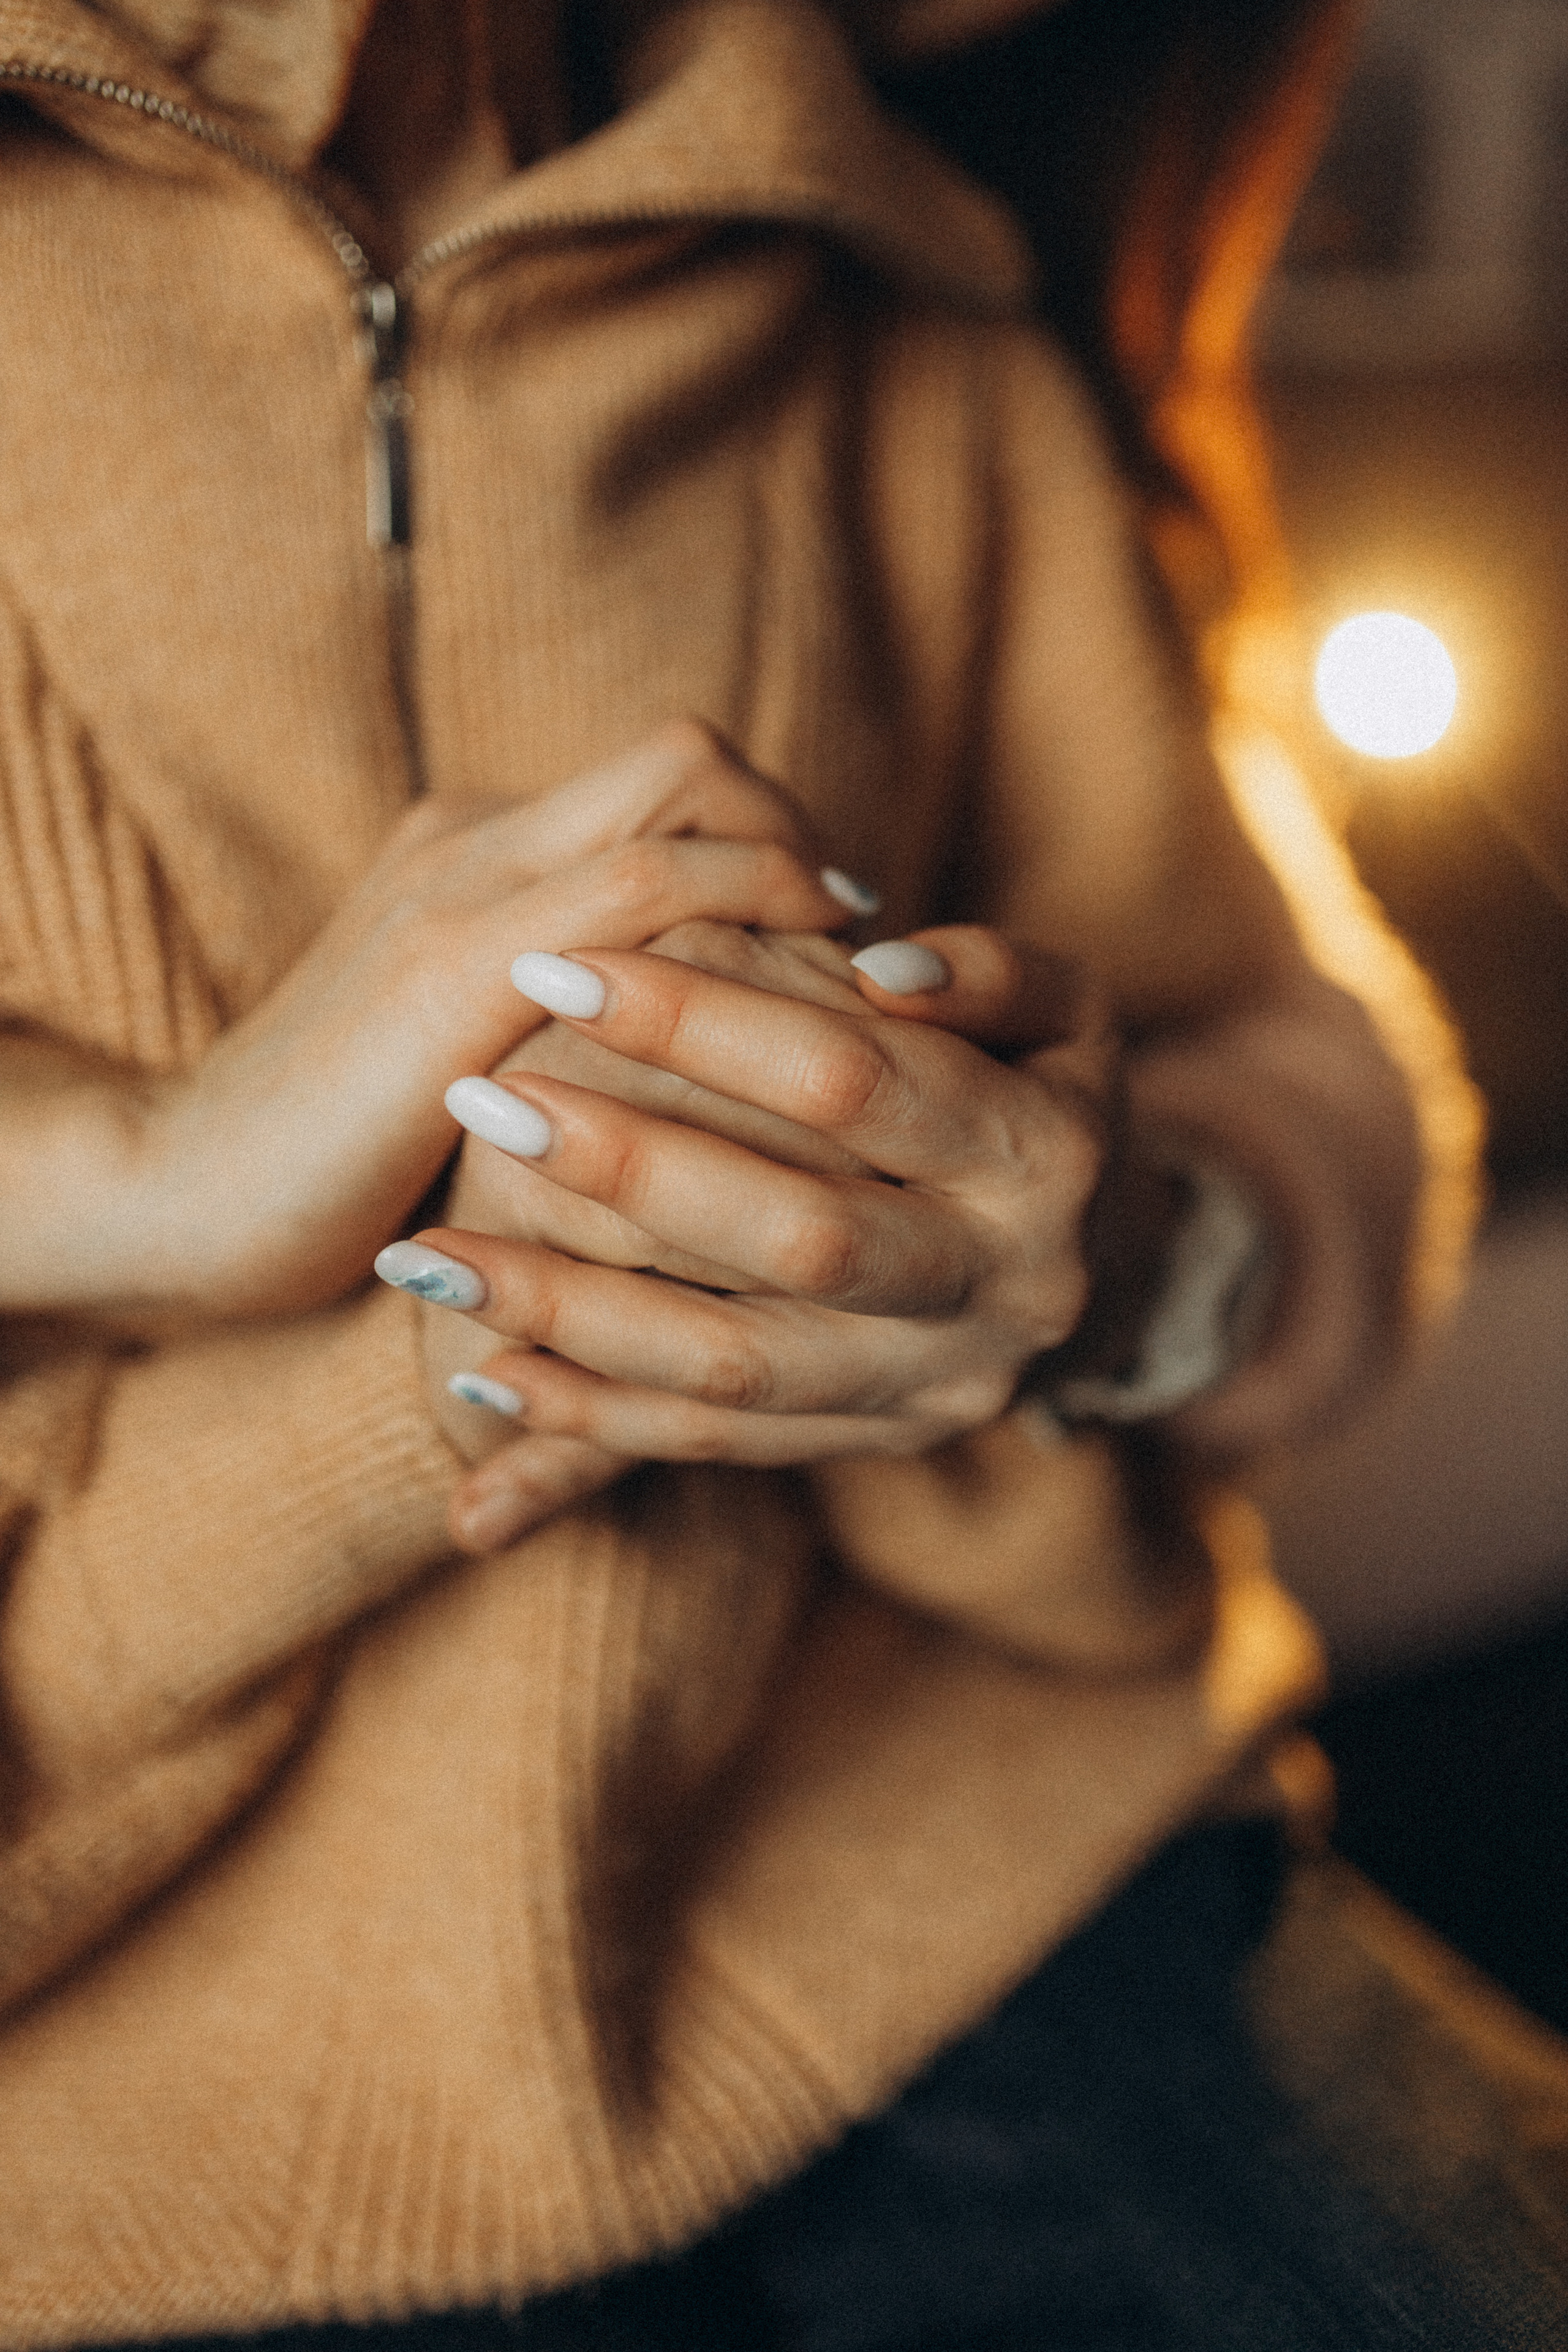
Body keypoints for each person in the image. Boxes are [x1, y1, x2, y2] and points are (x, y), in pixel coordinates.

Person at [1, 1, 1564, 2347]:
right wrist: (143, 1181)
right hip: (101, 2091)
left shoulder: (906, 291)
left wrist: (1103, 1249)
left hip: (1003, 1883)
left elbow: (1324, 1087)